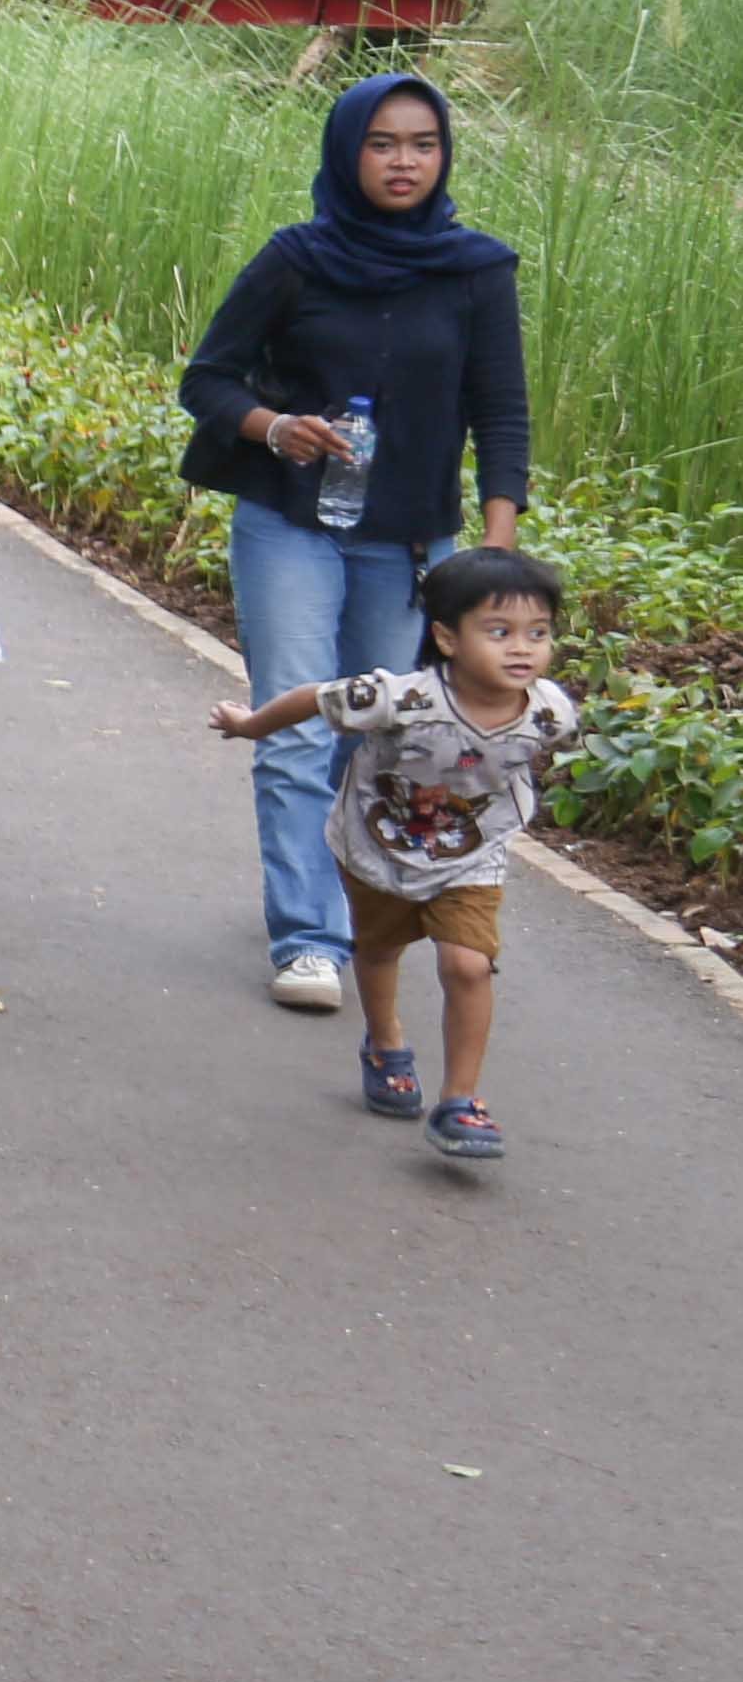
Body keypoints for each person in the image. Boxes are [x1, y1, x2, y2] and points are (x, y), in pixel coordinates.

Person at [180, 73, 528, 1014]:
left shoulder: (474, 269)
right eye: (381, 143)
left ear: (443, 153)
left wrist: (489, 570)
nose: (403, 161)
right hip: (290, 524)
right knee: (298, 722)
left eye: (421, 143)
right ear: (346, 152)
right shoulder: (296, 258)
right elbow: (205, 380)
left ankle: (336, 902)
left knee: (375, 732)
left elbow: (499, 414)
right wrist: (272, 427)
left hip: (408, 539)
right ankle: (307, 938)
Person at [208, 544, 576, 1163]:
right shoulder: (399, 699)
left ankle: (460, 1100)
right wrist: (250, 725)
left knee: (468, 964)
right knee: (378, 950)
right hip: (378, 846)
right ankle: (384, 1043)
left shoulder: (550, 712)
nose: (522, 648)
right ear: (446, 638)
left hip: (471, 856)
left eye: (537, 633)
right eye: (499, 631)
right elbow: (314, 697)